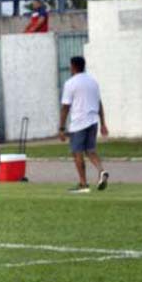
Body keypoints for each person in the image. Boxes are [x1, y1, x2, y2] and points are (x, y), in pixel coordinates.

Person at [59, 56, 109, 193]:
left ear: (73, 66)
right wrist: (103, 123)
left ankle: (83, 184)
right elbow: (99, 103)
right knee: (91, 151)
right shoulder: (93, 82)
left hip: (79, 123)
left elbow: (65, 107)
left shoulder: (70, 83)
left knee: (77, 153)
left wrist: (62, 128)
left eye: (70, 66)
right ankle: (101, 171)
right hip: (93, 121)